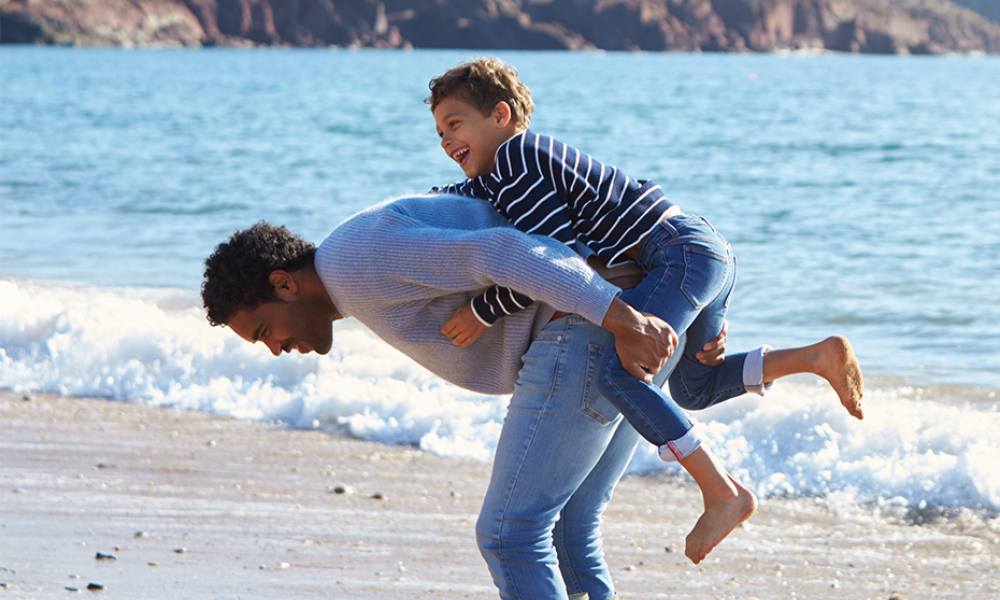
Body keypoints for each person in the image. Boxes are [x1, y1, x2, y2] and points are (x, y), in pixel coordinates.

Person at [425, 57, 865, 562]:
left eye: (454, 124)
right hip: (702, 250)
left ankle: (722, 492)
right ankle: (815, 357)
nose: (444, 141)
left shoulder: (516, 160)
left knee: (621, 373)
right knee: (693, 386)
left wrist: (486, 308)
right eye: (439, 132)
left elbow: (555, 260)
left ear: (500, 116)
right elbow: (460, 199)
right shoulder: (505, 173)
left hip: (676, 255)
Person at [201, 196, 730, 600]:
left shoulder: (351, 263)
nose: (274, 349)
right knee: (569, 522)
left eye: (265, 330)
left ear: (284, 285)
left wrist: (624, 318)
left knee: (509, 533)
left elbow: (500, 251)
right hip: (614, 323)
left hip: (597, 328)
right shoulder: (352, 266)